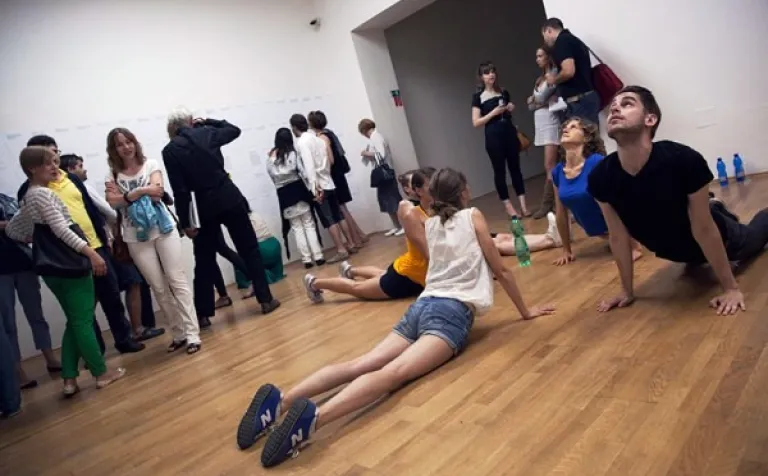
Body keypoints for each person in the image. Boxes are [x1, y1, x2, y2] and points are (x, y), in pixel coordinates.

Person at [236, 167, 554, 467]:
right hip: (451, 314)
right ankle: (314, 419)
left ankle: (281, 401)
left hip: (422, 305)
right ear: (464, 193)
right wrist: (526, 312)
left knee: (363, 363)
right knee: (394, 373)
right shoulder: (473, 215)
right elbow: (501, 269)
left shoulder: (430, 224)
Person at [588, 86, 768, 315]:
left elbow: (704, 229)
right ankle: (714, 206)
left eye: (627, 104)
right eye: (613, 106)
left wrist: (731, 288)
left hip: (725, 239)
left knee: (757, 234)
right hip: (678, 250)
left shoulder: (682, 159)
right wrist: (627, 291)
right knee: (698, 241)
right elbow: (617, 236)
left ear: (650, 119)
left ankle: (720, 210)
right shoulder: (601, 177)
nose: (614, 109)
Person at [7, 146, 126, 397]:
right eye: (48, 163)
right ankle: (101, 373)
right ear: (32, 168)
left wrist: (37, 237)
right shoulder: (43, 194)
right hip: (71, 265)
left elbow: (13, 230)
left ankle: (69, 378)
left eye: (56, 162)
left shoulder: (29, 195)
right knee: (83, 321)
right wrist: (92, 253)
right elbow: (62, 230)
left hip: (53, 271)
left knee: (75, 320)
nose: (55, 167)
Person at [19, 135, 144, 354]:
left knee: (112, 296)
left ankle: (124, 340)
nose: (54, 161)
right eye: (48, 157)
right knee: (85, 306)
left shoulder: (71, 178)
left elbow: (89, 207)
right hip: (69, 254)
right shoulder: (31, 190)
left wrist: (105, 237)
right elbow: (44, 227)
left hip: (96, 245)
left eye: (55, 153)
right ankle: (95, 351)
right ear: (34, 163)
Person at [163, 110, 280, 317]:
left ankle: (203, 314)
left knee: (204, 259)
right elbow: (234, 130)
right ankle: (266, 300)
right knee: (249, 249)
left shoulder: (170, 150)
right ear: (190, 121)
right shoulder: (207, 132)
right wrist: (208, 121)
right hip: (228, 196)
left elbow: (180, 190)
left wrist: (186, 222)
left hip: (203, 206)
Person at [105, 127, 202, 354]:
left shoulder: (150, 164)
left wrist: (128, 195)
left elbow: (157, 191)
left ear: (135, 142)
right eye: (119, 144)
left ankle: (192, 334)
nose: (126, 147)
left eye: (128, 141)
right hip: (135, 236)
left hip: (163, 228)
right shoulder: (112, 175)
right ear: (113, 149)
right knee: (158, 287)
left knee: (177, 280)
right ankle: (178, 333)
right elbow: (112, 202)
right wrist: (140, 192)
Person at [59, 153, 164, 342]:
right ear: (70, 169)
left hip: (93, 246)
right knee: (129, 283)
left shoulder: (66, 190)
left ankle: (106, 339)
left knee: (104, 292)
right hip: (103, 245)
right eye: (80, 166)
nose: (85, 169)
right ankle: (136, 330)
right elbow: (109, 210)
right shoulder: (81, 187)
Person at [302, 168, 433, 304]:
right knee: (357, 288)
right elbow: (427, 251)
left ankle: (350, 271)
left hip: (414, 271)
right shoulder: (409, 210)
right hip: (407, 275)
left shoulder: (431, 210)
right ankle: (313, 283)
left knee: (381, 274)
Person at [0, 192, 61, 389]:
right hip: (1, 272)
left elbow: (25, 224)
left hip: (24, 263)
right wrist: (9, 226)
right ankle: (18, 371)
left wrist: (12, 227)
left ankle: (50, 358)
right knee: (8, 323)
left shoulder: (7, 199)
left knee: (36, 315)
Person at [291, 113, 354, 263]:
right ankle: (351, 244)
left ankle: (341, 249)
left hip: (319, 185)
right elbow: (328, 161)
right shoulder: (318, 139)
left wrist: (315, 189)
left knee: (329, 219)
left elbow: (309, 167)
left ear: (294, 127)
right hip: (329, 181)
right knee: (338, 215)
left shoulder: (302, 142)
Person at [471, 62, 528, 218]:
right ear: (481, 77)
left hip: (509, 132)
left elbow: (508, 113)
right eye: (486, 72)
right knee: (499, 171)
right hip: (493, 136)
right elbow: (476, 122)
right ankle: (509, 208)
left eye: (492, 71)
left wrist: (510, 108)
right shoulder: (478, 97)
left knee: (516, 168)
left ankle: (524, 206)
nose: (491, 75)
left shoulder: (503, 92)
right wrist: (493, 113)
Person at [266, 127, 325, 268]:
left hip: (284, 194)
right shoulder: (293, 153)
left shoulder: (271, 157)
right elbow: (303, 172)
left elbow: (272, 176)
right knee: (309, 224)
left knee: (297, 228)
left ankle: (306, 260)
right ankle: (318, 256)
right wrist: (314, 188)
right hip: (299, 190)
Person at [308, 111, 367, 246]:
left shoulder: (322, 137)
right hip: (337, 175)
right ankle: (360, 235)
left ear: (312, 123)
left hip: (333, 176)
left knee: (342, 210)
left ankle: (356, 239)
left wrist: (322, 172)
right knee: (342, 209)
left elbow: (330, 159)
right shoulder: (329, 133)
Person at [541, 18, 600, 125]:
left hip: (579, 101)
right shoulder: (572, 39)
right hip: (584, 98)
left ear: (549, 30)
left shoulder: (562, 41)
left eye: (544, 36)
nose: (545, 41)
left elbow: (568, 71)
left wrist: (554, 80)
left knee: (580, 134)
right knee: (588, 133)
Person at [528, 46, 561, 219]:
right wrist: (536, 101)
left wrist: (536, 100)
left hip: (550, 120)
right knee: (549, 165)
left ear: (548, 57)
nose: (537, 59)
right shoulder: (540, 79)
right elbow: (530, 104)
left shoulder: (554, 74)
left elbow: (539, 99)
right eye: (536, 56)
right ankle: (550, 204)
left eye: (540, 56)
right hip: (540, 122)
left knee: (550, 165)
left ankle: (552, 204)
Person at [358, 119, 404, 236]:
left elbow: (381, 154)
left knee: (392, 199)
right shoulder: (374, 138)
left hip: (386, 173)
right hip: (383, 174)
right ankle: (397, 225)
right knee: (386, 200)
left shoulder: (376, 137)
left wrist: (365, 153)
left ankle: (402, 225)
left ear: (364, 130)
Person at [231, 212, 285, 286]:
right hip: (274, 245)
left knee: (236, 258)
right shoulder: (255, 214)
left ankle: (245, 283)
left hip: (261, 249)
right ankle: (278, 275)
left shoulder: (239, 220)